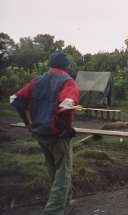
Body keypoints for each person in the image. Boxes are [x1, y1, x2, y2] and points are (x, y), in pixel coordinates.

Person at [10, 50, 80, 215]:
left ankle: (66, 202)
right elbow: (67, 106)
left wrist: (27, 123)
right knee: (63, 173)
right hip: (57, 135)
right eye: (69, 65)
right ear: (65, 65)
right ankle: (53, 211)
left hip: (40, 134)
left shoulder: (37, 81)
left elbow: (16, 100)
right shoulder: (67, 82)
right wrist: (68, 129)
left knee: (54, 169)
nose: (69, 67)